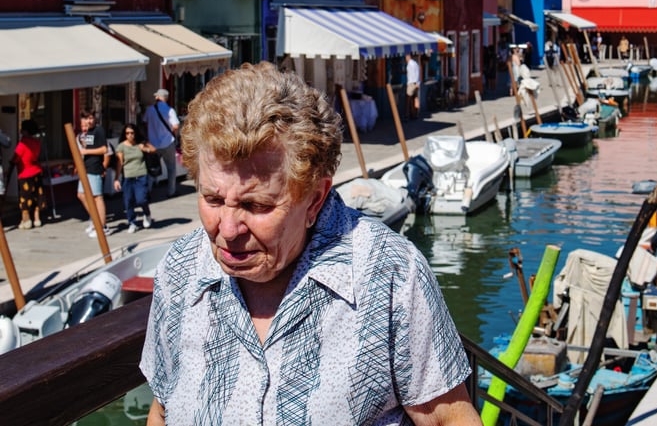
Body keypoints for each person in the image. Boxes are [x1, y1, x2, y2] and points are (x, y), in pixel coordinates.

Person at [140, 62, 478, 425]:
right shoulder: (182, 268)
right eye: (213, 199)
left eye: (256, 206)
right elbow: (163, 409)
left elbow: (448, 418)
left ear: (315, 199)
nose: (228, 228)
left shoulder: (388, 272)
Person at [114, 123, 156, 233]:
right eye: (127, 133)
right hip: (128, 177)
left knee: (141, 199)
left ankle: (147, 214)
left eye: (132, 133)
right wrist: (116, 179)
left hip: (141, 175)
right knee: (128, 201)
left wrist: (144, 149)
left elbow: (153, 149)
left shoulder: (140, 143)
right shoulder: (121, 147)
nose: (130, 135)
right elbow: (119, 163)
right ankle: (132, 222)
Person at [77, 111, 111, 237]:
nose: (89, 121)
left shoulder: (99, 130)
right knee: (81, 195)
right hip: (85, 168)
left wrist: (86, 151)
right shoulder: (87, 133)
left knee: (97, 197)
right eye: (86, 119)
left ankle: (103, 226)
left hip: (95, 167)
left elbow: (104, 149)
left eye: (91, 118)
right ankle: (95, 220)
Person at [7, 120, 45, 229]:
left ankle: (26, 220)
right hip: (36, 171)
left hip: (25, 174)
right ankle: (37, 219)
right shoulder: (37, 142)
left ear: (26, 131)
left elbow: (16, 158)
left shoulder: (22, 144)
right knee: (36, 196)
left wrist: (10, 165)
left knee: (25, 197)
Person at [143, 89, 180, 198]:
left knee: (152, 167)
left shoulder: (150, 110)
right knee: (171, 168)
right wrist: (173, 134)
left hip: (153, 144)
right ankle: (171, 191)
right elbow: (176, 126)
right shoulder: (170, 110)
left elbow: (144, 122)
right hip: (168, 142)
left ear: (158, 97)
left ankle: (148, 190)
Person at [405, 52, 421, 119]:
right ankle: (415, 113)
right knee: (415, 98)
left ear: (408, 56)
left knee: (408, 99)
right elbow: (417, 73)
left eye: (406, 57)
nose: (405, 58)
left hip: (411, 83)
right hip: (416, 83)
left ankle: (407, 114)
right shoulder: (415, 63)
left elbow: (410, 74)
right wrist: (417, 83)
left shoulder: (409, 64)